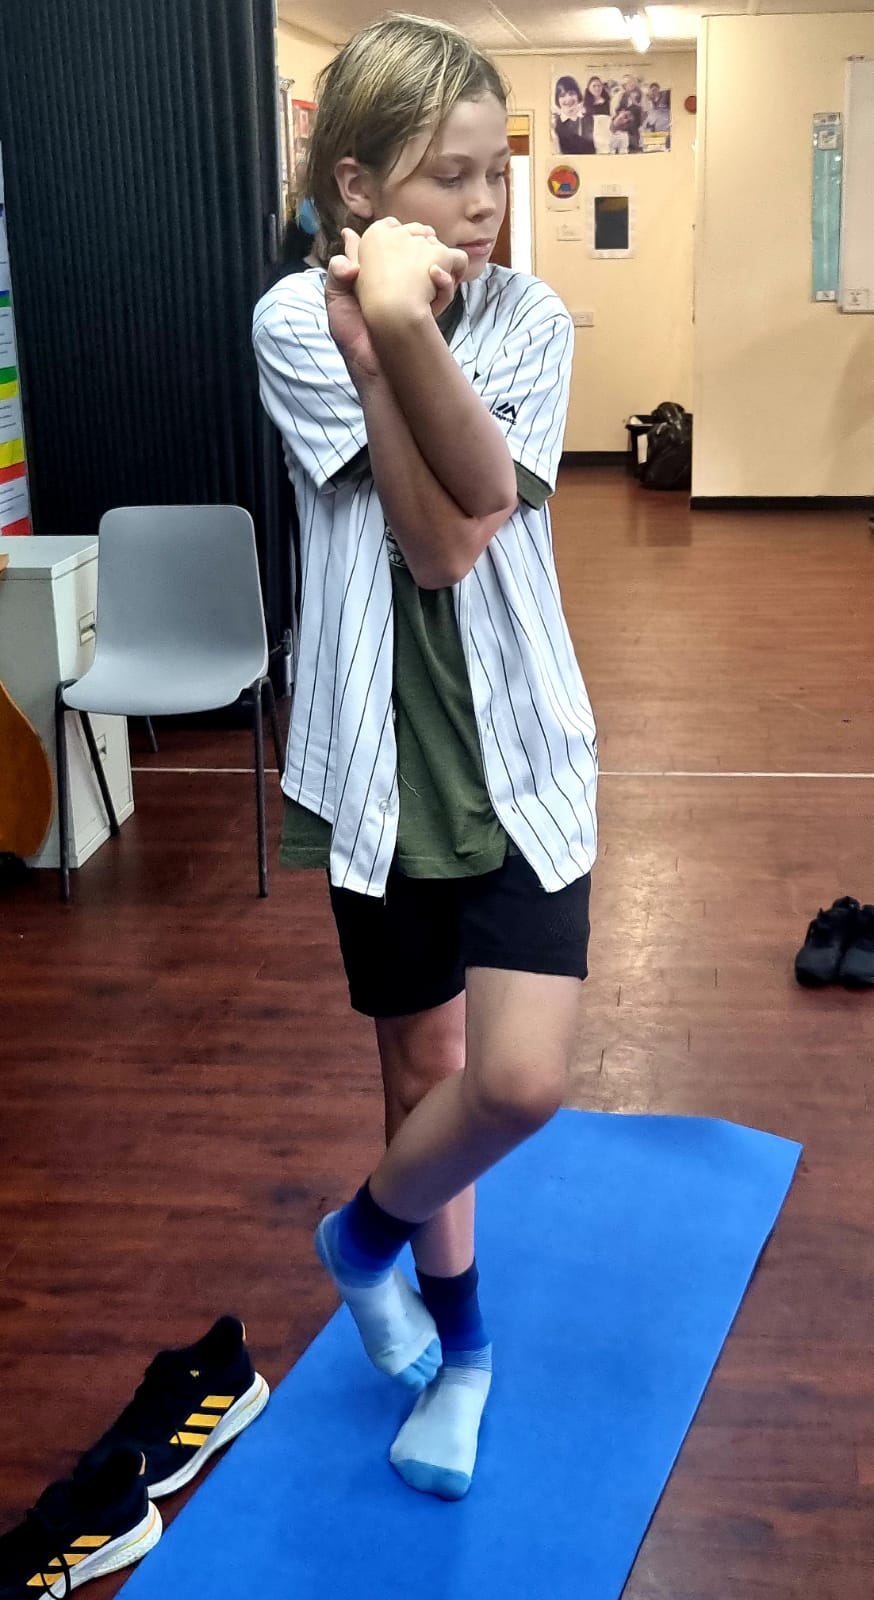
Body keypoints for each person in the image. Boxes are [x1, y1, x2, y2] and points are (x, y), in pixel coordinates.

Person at [252, 13, 598, 1502]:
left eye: (492, 172)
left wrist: (394, 331)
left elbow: (459, 535)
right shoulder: (284, 323)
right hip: (375, 766)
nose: (482, 205)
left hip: (523, 749)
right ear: (355, 190)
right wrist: (372, 334)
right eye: (448, 179)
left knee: (514, 1083)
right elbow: (408, 528)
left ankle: (362, 1240)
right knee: (421, 1075)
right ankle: (458, 1356)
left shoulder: (525, 317)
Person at [551, 74, 594, 155]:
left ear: (578, 95)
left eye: (571, 93)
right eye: (562, 95)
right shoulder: (553, 125)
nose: (568, 99)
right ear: (557, 100)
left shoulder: (592, 120)